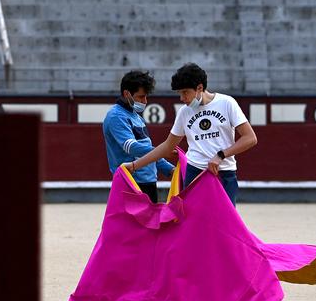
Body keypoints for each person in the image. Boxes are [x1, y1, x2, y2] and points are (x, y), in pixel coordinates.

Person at [124, 62, 257, 205]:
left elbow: (250, 138)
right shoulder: (184, 112)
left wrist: (221, 155)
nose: (182, 98)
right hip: (194, 172)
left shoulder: (227, 103)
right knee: (193, 224)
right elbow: (167, 146)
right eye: (179, 93)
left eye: (185, 92)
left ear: (199, 88)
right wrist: (135, 165)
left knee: (223, 224)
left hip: (224, 172)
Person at [103, 70, 176, 203]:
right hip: (130, 183)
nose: (145, 101)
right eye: (141, 97)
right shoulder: (116, 116)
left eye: (146, 97)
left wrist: (170, 170)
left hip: (148, 182)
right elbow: (131, 147)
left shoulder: (137, 118)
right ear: (127, 94)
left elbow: (149, 152)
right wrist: (163, 151)